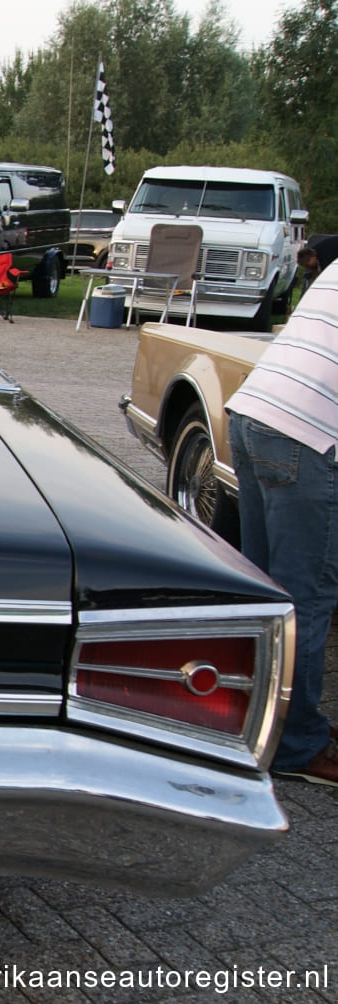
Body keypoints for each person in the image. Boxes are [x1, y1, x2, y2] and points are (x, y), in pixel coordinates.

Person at [225, 240, 338, 785]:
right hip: (307, 435)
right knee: (306, 594)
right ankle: (295, 744)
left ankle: (247, 716)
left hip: (254, 415)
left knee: (264, 588)